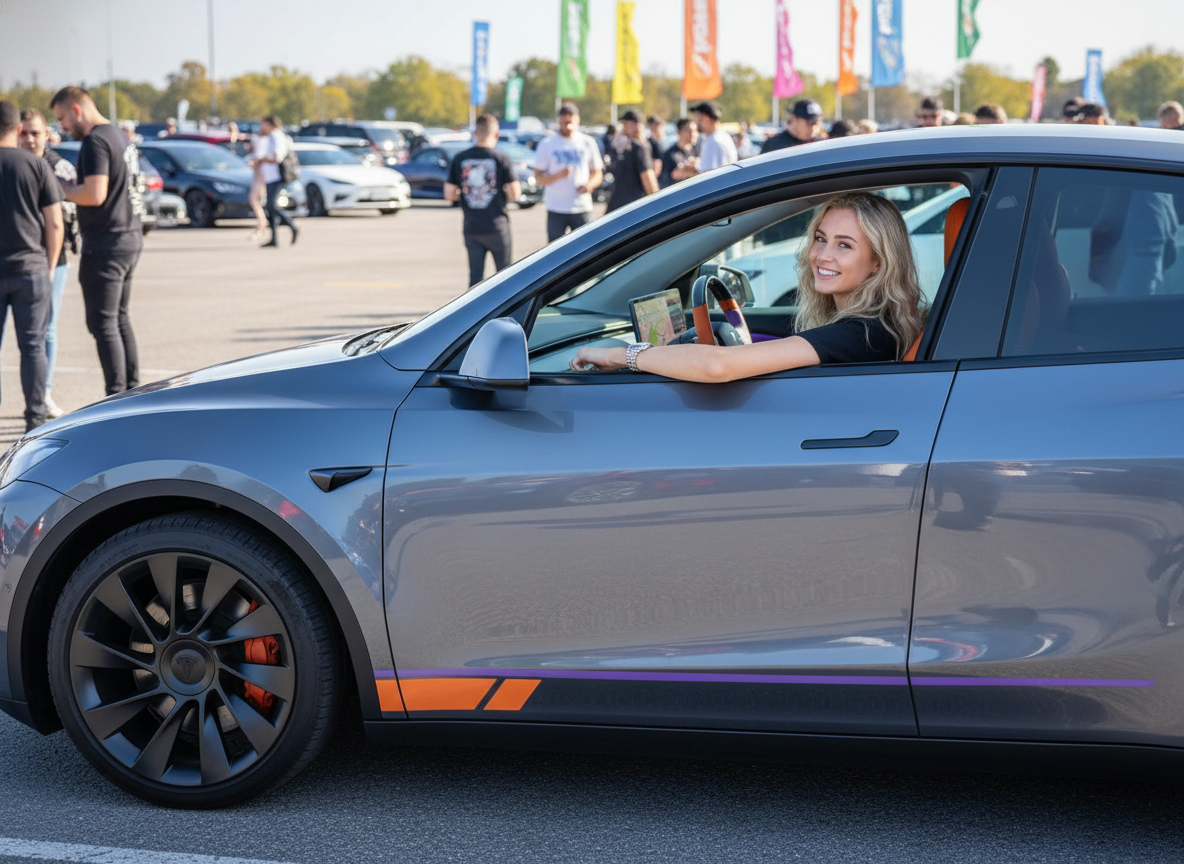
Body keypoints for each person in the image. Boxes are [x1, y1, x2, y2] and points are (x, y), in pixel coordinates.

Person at [570, 191, 925, 380]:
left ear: (878, 260)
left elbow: (716, 367)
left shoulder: (861, 334)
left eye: (844, 245)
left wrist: (623, 356)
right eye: (820, 239)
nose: (822, 255)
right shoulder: (880, 325)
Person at [50, 86, 142, 397]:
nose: (61, 126)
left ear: (76, 109)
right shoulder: (119, 135)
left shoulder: (95, 142)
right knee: (119, 319)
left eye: (62, 117)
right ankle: (133, 391)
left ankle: (116, 398)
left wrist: (60, 188)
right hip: (128, 238)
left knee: (103, 324)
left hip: (106, 244)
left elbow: (94, 194)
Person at [0, 101, 62, 431]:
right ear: (17, 129)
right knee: (34, 347)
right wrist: (50, 266)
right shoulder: (36, 166)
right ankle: (35, 421)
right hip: (31, 268)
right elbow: (54, 223)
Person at [18, 108, 77, 419]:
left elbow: (65, 218)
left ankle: (45, 392)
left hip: (53, 259)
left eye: (35, 133)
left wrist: (53, 263)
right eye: (23, 132)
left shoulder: (58, 167)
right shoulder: (11, 164)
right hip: (18, 261)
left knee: (47, 329)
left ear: (47, 135)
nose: (29, 139)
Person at [444, 113, 521, 288]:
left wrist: (466, 192)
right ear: (495, 134)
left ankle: (476, 314)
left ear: (475, 133)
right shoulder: (501, 158)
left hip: (472, 227)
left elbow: (449, 194)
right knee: (505, 277)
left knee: (475, 280)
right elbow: (515, 193)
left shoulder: (460, 158)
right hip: (497, 226)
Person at [533, 103, 602, 242]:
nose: (567, 124)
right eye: (564, 121)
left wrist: (589, 185)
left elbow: (597, 173)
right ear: (559, 120)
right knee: (556, 253)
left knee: (586, 249)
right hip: (556, 208)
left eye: (571, 120)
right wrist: (558, 175)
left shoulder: (587, 142)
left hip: (581, 207)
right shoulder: (548, 143)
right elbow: (538, 178)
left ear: (577, 120)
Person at [252, 114, 298, 248]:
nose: (262, 127)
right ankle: (274, 239)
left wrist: (261, 160)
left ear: (270, 124)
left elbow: (277, 158)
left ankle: (292, 226)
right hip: (269, 176)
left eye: (263, 124)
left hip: (277, 176)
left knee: (271, 205)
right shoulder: (269, 137)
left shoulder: (277, 137)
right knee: (269, 206)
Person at [605, 110, 658, 213]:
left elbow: (647, 177)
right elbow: (649, 180)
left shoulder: (634, 147)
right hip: (633, 207)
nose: (623, 128)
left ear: (636, 125)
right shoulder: (637, 146)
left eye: (625, 124)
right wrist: (657, 204)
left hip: (621, 206)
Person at [681, 101, 736, 178]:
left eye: (697, 118)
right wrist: (697, 165)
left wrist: (685, 173)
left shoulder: (715, 141)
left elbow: (710, 177)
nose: (695, 123)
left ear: (705, 118)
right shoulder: (719, 137)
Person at [761, 99, 825, 153]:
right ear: (793, 119)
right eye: (810, 123)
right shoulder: (774, 146)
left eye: (816, 124)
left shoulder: (820, 144)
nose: (813, 128)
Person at [658, 118, 699, 189]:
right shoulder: (670, 154)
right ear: (679, 132)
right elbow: (664, 181)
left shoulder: (697, 151)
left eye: (695, 131)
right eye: (689, 131)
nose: (692, 134)